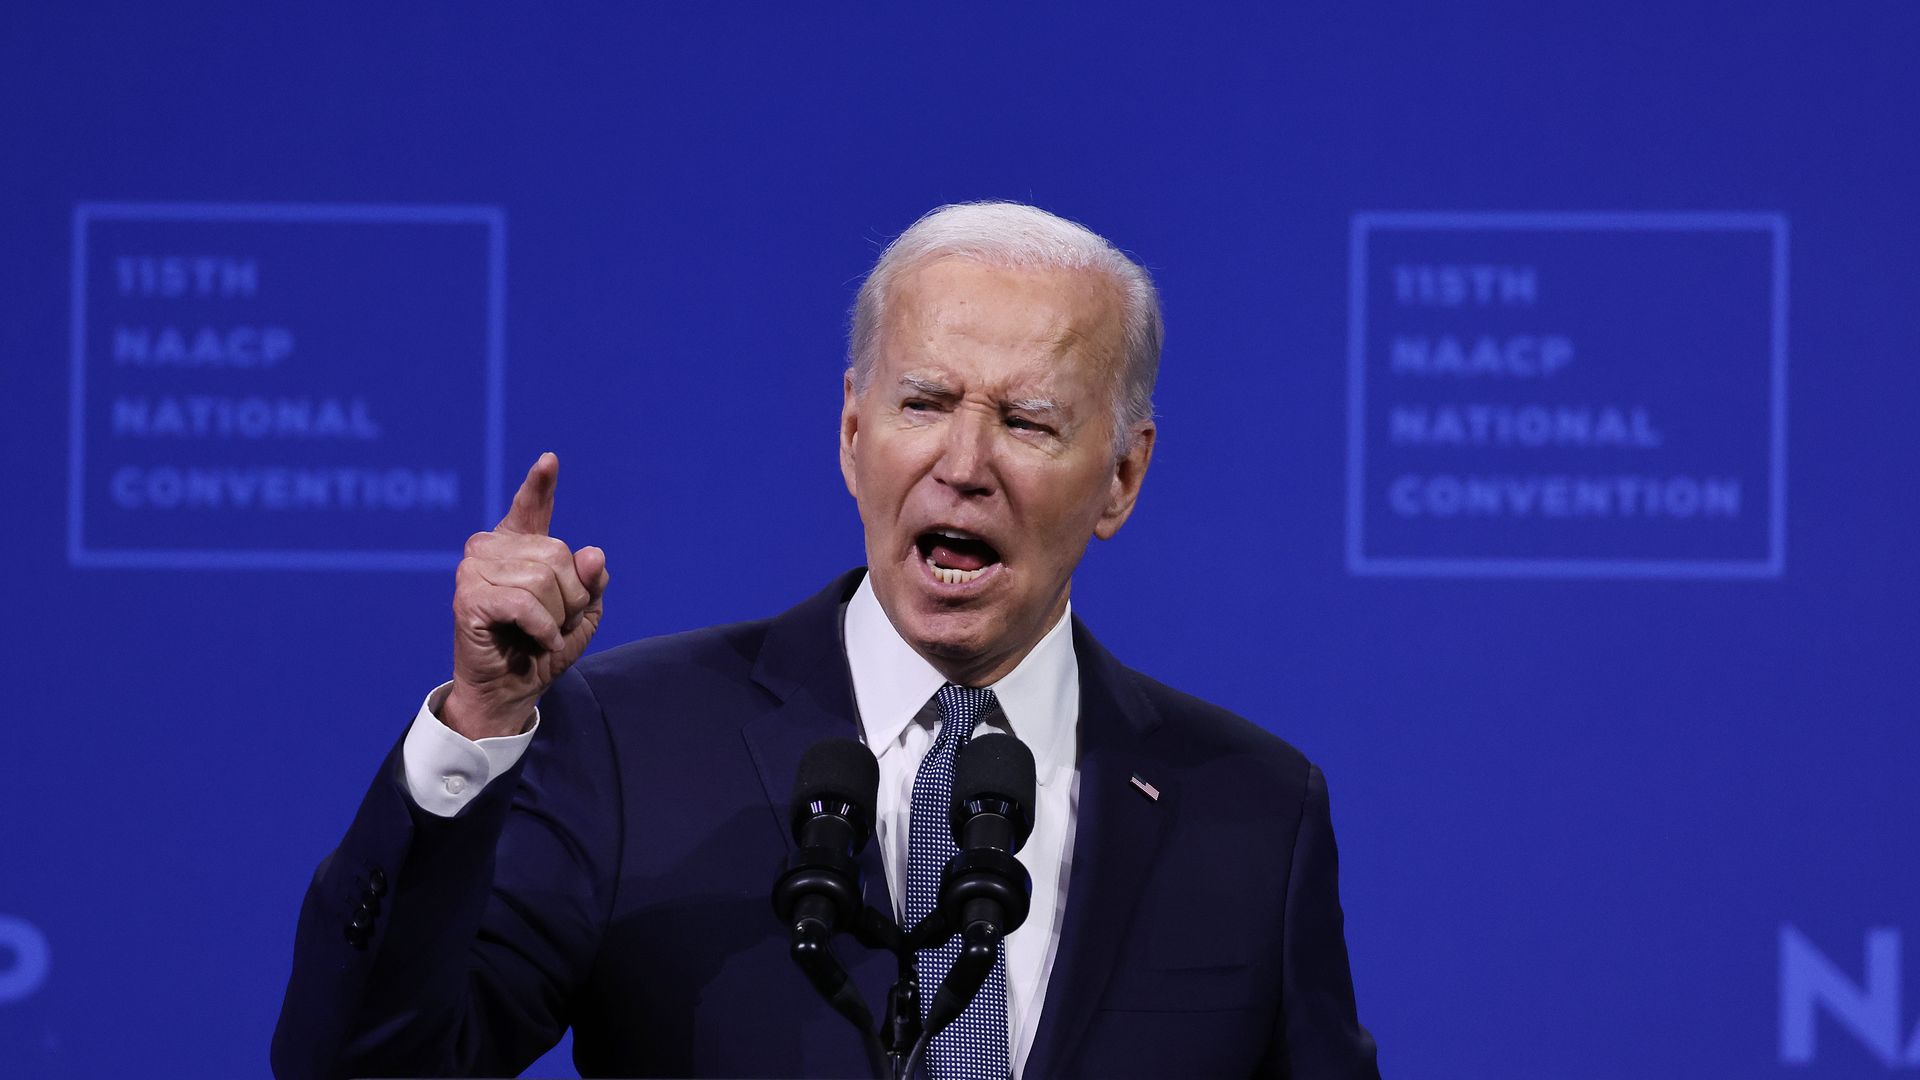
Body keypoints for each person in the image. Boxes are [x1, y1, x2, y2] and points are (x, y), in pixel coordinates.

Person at [272, 202, 1379, 1078]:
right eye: (924, 403)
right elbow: (367, 1066)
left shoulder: (1252, 811)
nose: (964, 461)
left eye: (1028, 420)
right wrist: (480, 725)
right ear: (853, 434)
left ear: (1122, 476)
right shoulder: (630, 742)